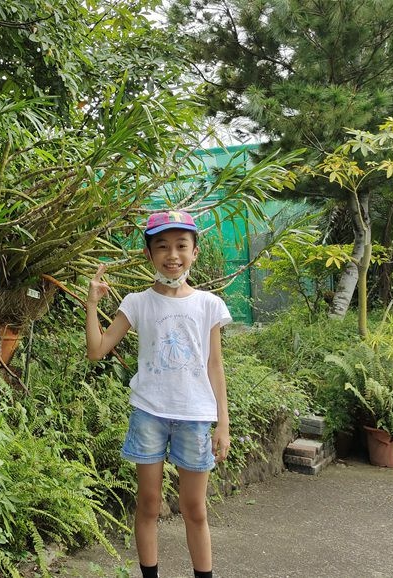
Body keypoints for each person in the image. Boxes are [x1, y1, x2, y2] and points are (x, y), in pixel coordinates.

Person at [85, 210, 231, 578]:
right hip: (148, 413)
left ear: (195, 251)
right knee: (147, 505)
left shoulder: (209, 305)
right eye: (162, 246)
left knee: (195, 509)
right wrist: (92, 305)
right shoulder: (137, 302)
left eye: (182, 245)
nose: (173, 255)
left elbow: (215, 366)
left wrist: (222, 423)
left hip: (195, 416)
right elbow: (97, 349)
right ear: (149, 254)